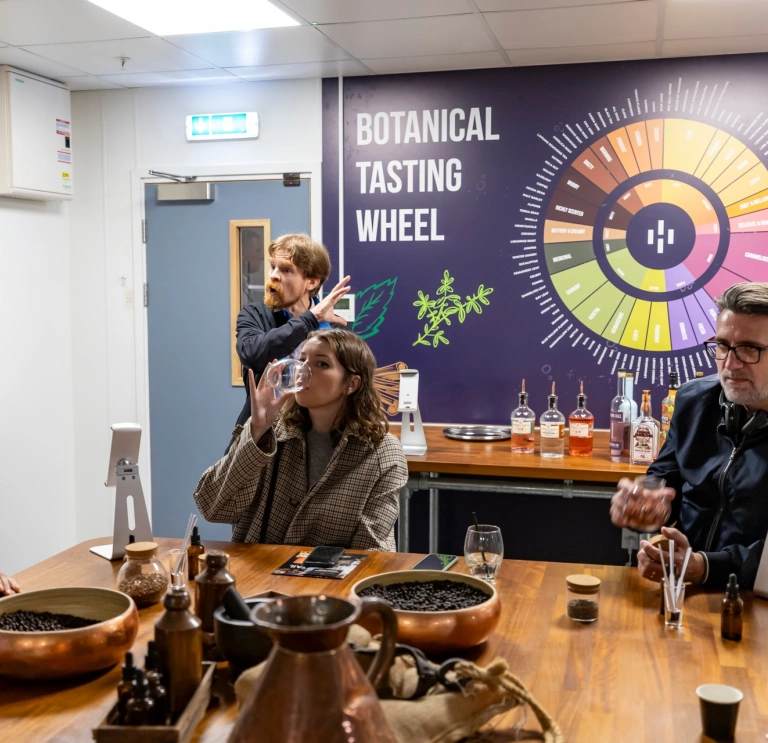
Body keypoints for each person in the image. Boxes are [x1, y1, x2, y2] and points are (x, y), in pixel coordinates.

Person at [610, 282, 768, 589]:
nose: (730, 365)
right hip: (682, 589)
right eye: (722, 346)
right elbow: (664, 477)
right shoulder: (694, 399)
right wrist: (647, 502)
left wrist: (705, 566)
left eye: (749, 349)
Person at [195, 328, 408, 551]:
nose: (303, 371)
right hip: (258, 578)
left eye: (321, 364)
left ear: (351, 384)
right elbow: (213, 508)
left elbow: (370, 556)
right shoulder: (271, 430)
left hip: (332, 584)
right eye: (302, 361)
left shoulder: (382, 452)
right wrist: (256, 433)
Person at [233, 233, 352, 431]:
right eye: (273, 267)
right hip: (261, 435)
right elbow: (252, 353)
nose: (273, 275)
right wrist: (310, 319)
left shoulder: (336, 328)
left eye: (286, 270)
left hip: (315, 436)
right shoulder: (255, 314)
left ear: (312, 282)